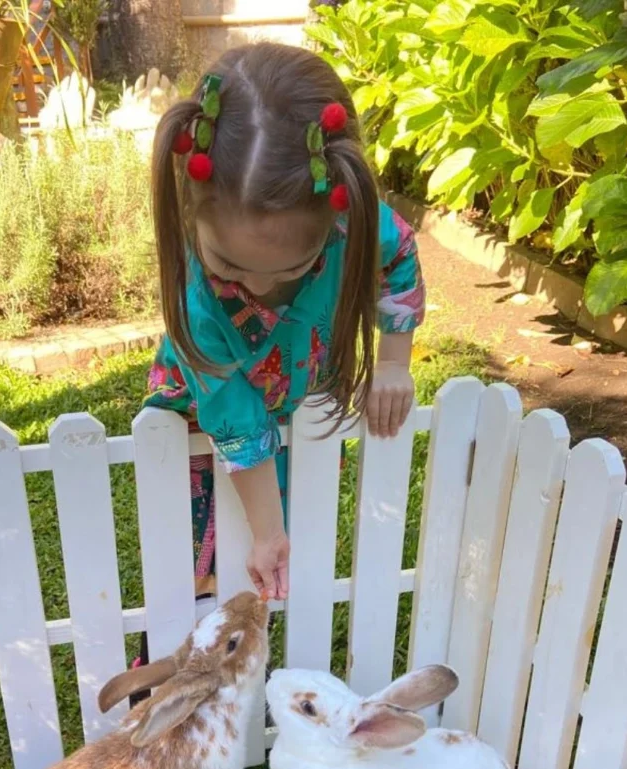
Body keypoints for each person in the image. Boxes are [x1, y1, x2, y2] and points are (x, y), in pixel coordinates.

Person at [136, 42, 425, 668]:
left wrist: (395, 362)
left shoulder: (357, 222)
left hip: (290, 398)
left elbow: (400, 259)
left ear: (335, 215)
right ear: (192, 216)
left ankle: (259, 647)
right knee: (198, 547)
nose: (261, 288)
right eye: (231, 266)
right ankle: (170, 658)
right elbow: (232, 413)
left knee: (283, 529)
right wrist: (265, 528)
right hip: (202, 410)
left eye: (294, 268)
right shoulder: (195, 298)